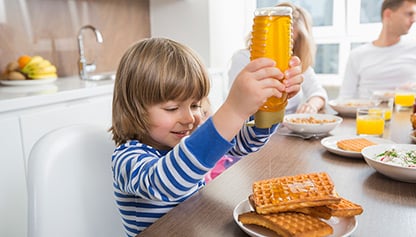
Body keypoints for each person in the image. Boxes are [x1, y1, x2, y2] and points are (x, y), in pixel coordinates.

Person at [110, 37, 304, 236]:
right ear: (134, 109)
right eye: (172, 108)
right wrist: (233, 111)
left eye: (195, 105)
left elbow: (242, 143)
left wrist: (270, 105)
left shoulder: (184, 140)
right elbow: (167, 182)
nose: (189, 118)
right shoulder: (127, 158)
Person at [228, 2, 328, 114]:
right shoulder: (243, 59)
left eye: (289, 42)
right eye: (276, 39)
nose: (280, 47)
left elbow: (318, 92)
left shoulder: (295, 62)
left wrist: (311, 105)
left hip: (287, 129)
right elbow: (235, 107)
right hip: (252, 128)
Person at [339, 0, 416, 99]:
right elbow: (345, 97)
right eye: (409, 14)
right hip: (368, 113)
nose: (413, 20)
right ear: (388, 14)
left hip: (405, 112)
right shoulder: (357, 55)